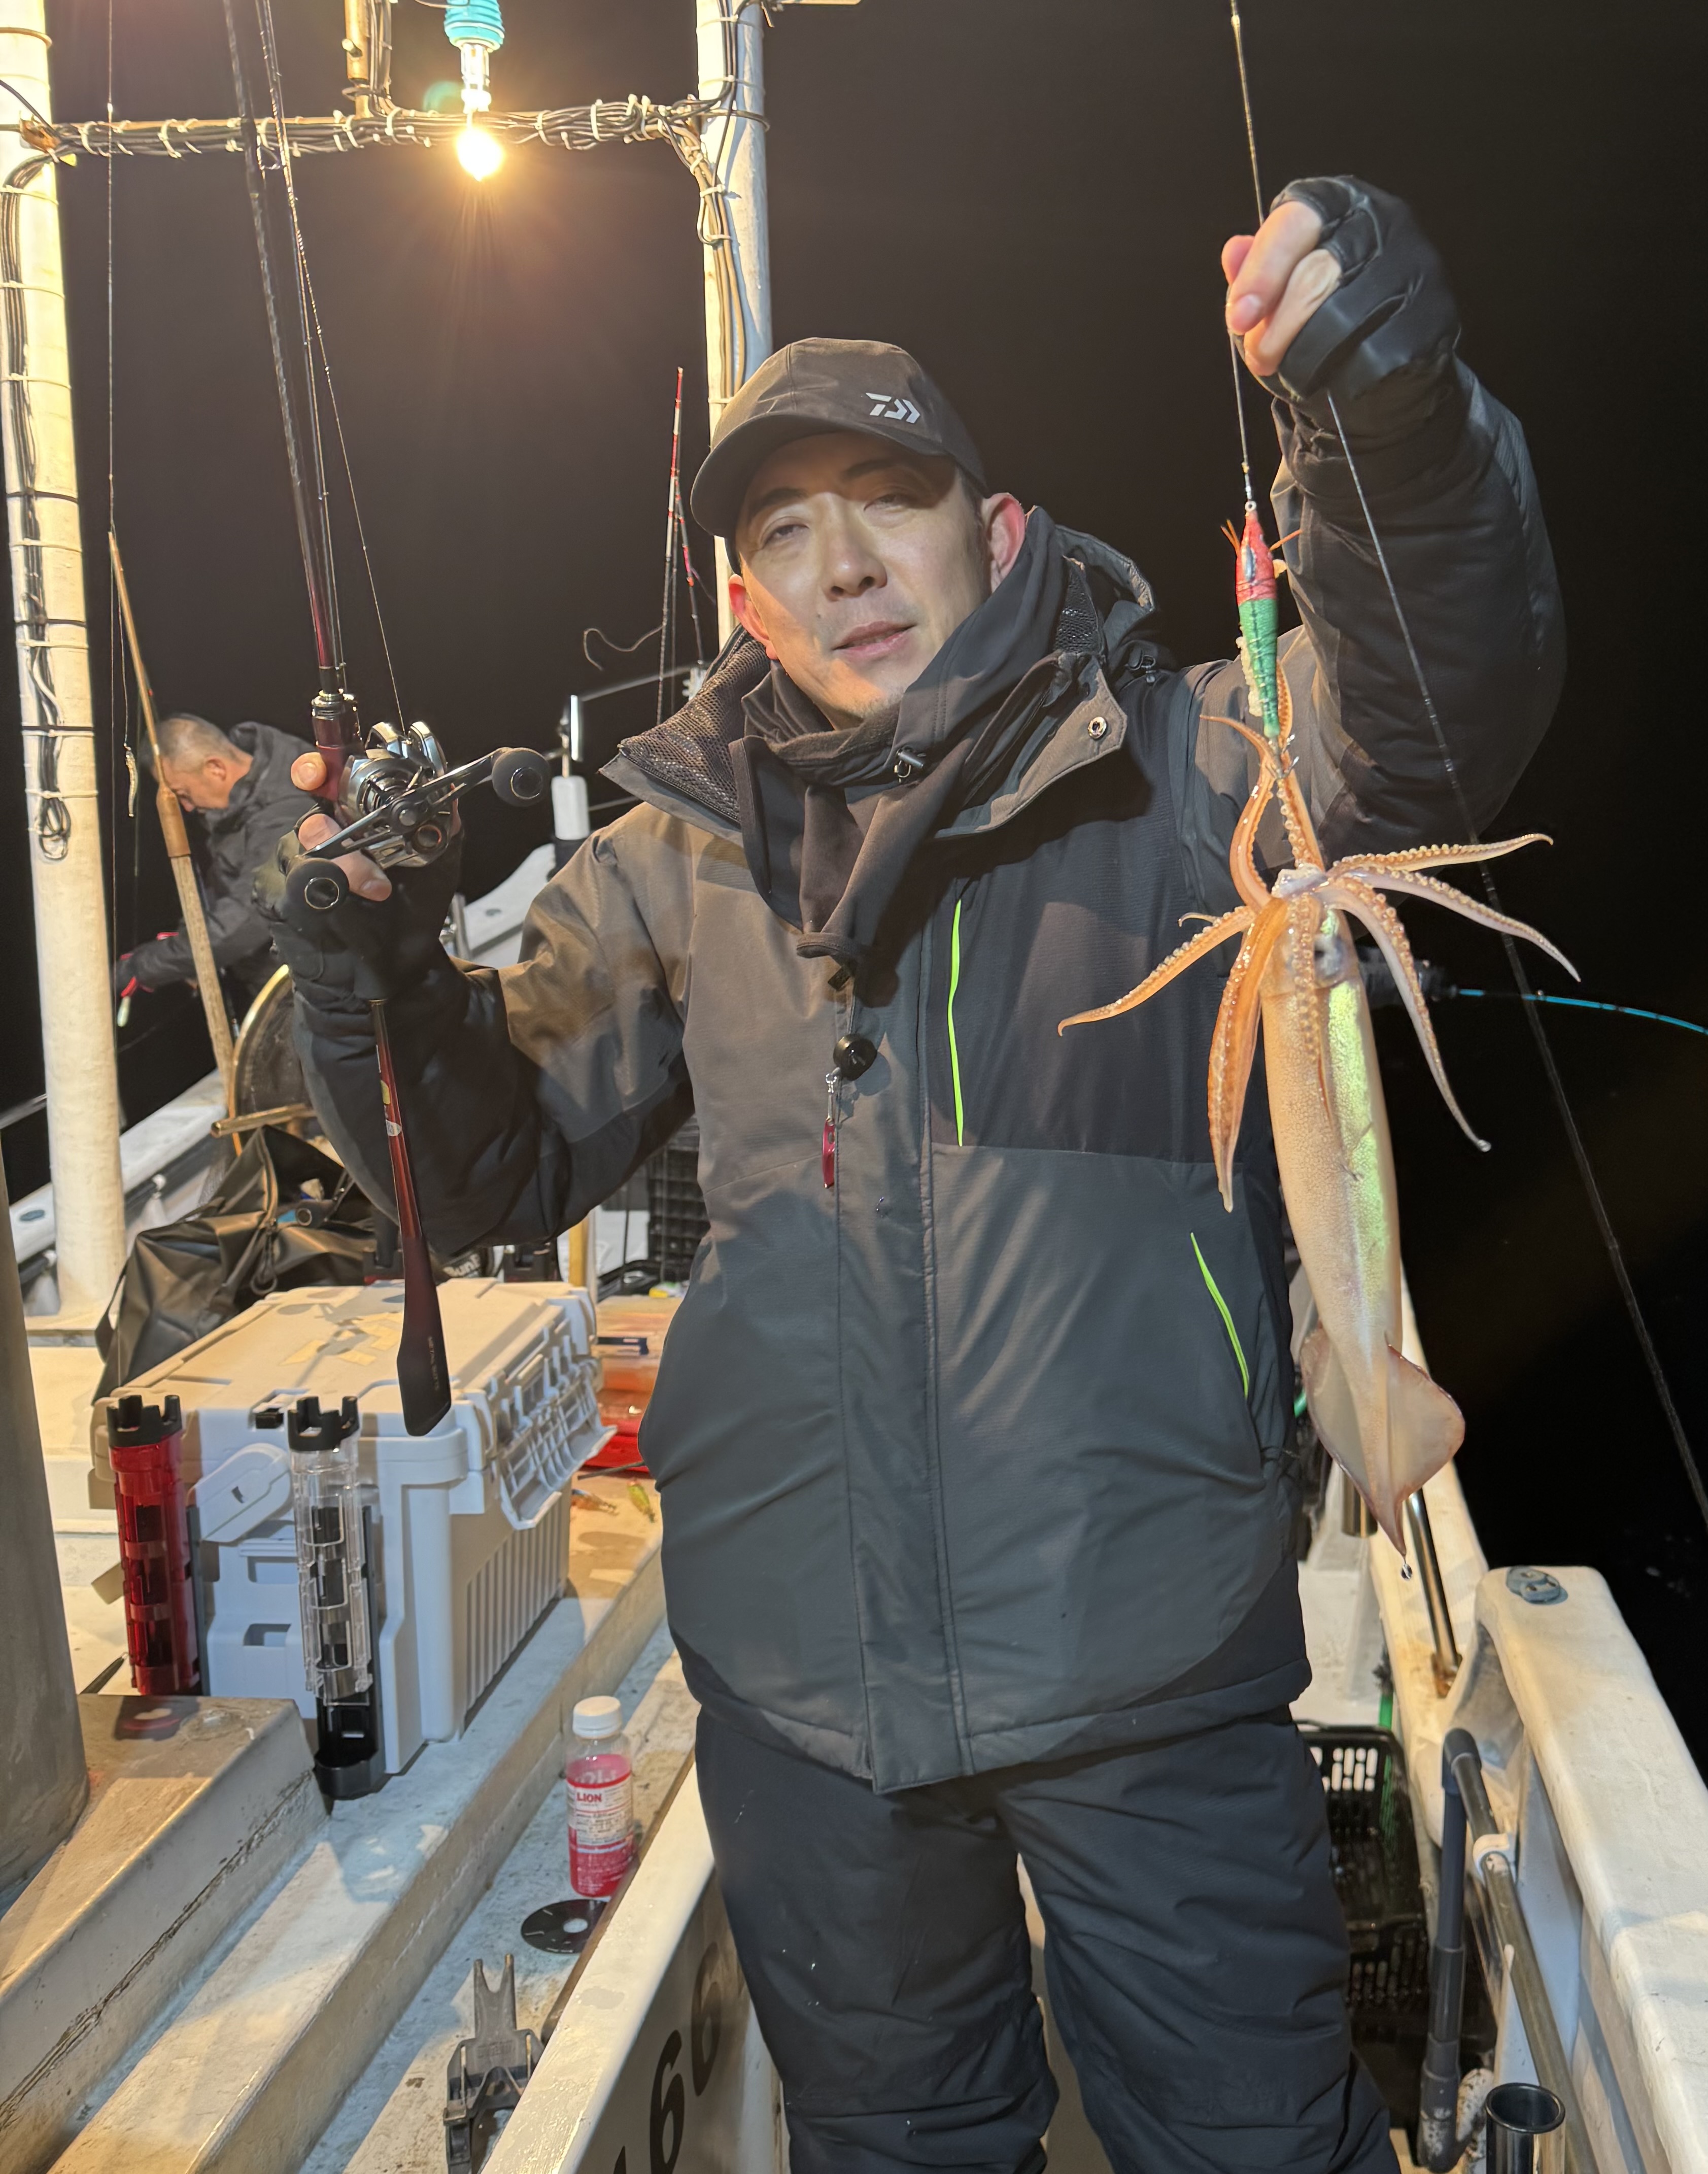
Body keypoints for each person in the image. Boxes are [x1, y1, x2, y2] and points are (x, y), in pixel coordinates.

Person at [269, 178, 1564, 2173]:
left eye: (888, 498)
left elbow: (1429, 714)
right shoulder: (673, 856)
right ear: (744, 602)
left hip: (1148, 1662)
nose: (845, 561)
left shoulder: (1193, 765)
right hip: (804, 1696)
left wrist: (1384, 419)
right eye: (785, 531)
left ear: (999, 528)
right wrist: (372, 973)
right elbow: (496, 1165)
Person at [114, 711, 318, 1011]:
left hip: (308, 996)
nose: (186, 807)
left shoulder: (285, 814)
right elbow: (226, 882)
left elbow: (242, 923)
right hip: (266, 985)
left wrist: (137, 969)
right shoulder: (242, 797)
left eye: (183, 794)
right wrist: (186, 946)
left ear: (216, 769)